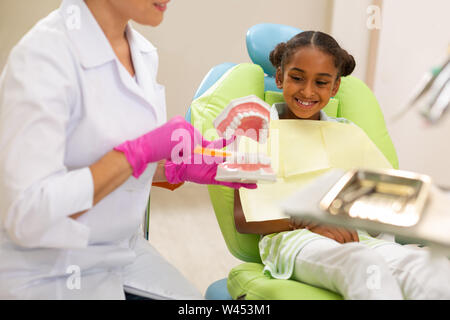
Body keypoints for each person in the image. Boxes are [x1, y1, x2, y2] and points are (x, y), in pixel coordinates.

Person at [0, 0, 255, 299]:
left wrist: (179, 165)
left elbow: (110, 158)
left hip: (123, 251)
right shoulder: (42, 59)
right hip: (48, 265)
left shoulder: (142, 53)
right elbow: (28, 216)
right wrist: (137, 153)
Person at [233, 31, 450, 299]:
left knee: (428, 268)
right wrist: (307, 223)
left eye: (321, 82)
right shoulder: (255, 132)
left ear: (334, 88)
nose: (308, 91)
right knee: (364, 266)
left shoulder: (349, 134)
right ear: (280, 78)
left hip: (358, 238)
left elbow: (384, 207)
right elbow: (244, 220)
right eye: (297, 78)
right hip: (294, 241)